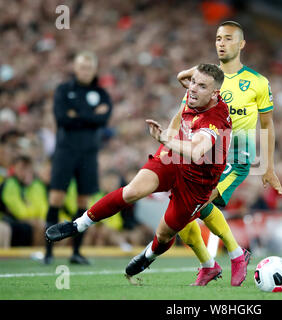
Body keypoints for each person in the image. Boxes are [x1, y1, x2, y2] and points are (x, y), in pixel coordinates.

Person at [46, 63, 232, 285]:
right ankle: (78, 225)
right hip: (173, 157)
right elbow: (184, 89)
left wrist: (165, 139)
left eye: (201, 86)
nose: (192, 88)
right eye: (193, 82)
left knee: (164, 234)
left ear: (215, 94)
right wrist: (192, 77)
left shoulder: (214, 119)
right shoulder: (196, 94)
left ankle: (148, 255)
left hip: (197, 181)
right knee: (132, 190)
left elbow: (196, 151)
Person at [175, 21, 282, 285]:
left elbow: (267, 124)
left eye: (228, 39)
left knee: (194, 205)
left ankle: (233, 256)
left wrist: (268, 167)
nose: (221, 43)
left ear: (241, 44)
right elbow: (185, 113)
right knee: (180, 210)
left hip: (235, 158)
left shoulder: (257, 82)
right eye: (218, 38)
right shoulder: (206, 80)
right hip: (203, 157)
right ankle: (211, 263)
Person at [44, 51, 113, 265]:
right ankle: (48, 253)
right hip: (65, 151)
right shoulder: (64, 90)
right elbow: (62, 118)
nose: (85, 71)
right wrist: (91, 114)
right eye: (82, 66)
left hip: (89, 154)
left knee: (84, 202)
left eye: (89, 67)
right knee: (56, 198)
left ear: (94, 69)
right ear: (75, 68)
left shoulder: (102, 93)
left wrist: (78, 114)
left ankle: (76, 252)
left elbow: (104, 119)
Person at [0, 155, 45, 246]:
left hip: (31, 222)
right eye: (22, 168)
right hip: (11, 222)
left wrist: (35, 219)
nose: (26, 172)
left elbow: (43, 210)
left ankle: (39, 255)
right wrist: (33, 219)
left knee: (44, 225)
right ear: (14, 169)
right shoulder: (10, 183)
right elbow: (18, 212)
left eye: (28, 168)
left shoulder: (37, 185)